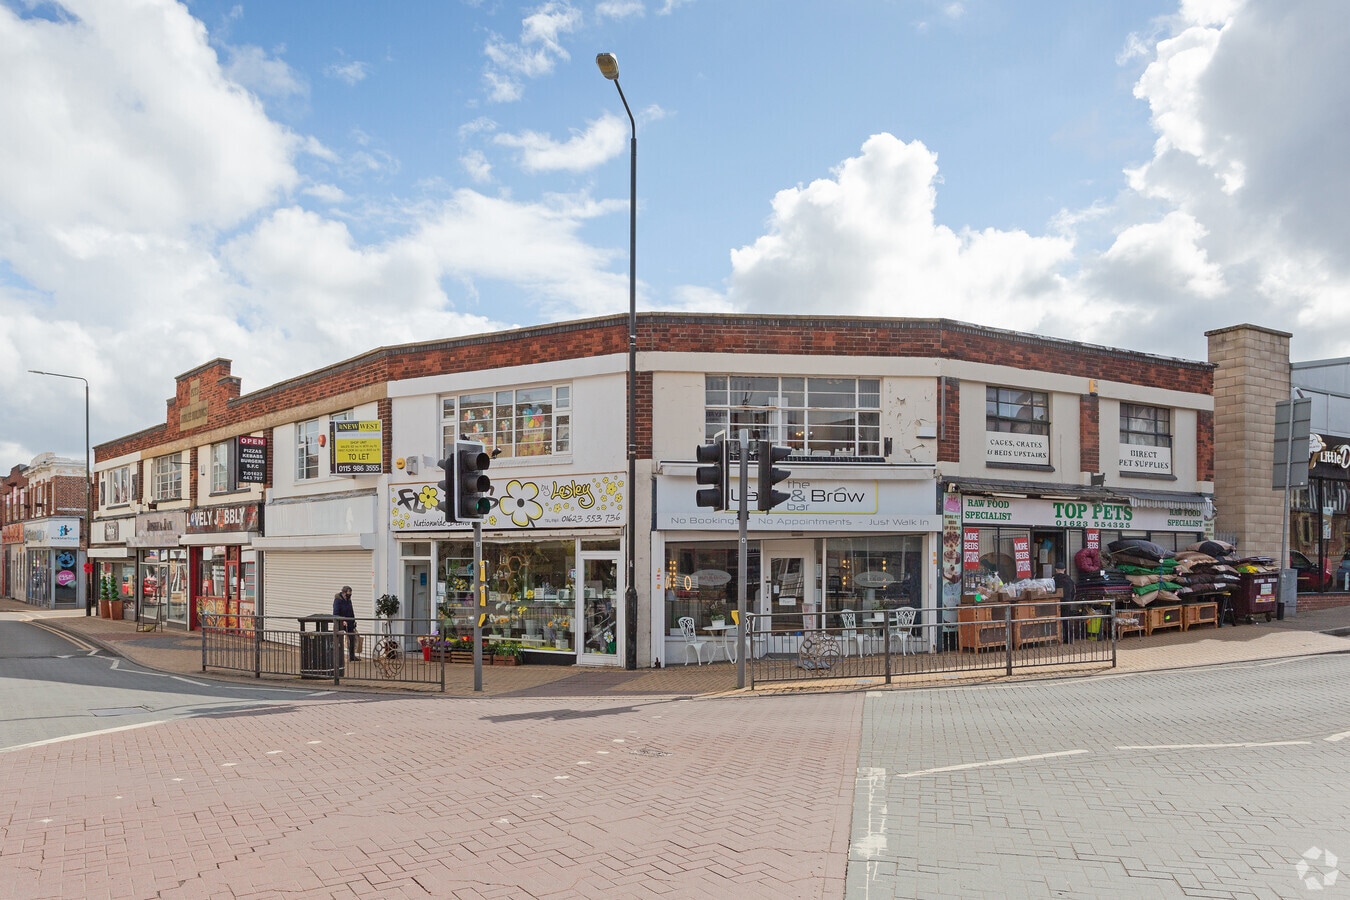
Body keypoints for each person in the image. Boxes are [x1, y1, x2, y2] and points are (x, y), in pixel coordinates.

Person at [1052, 565, 1079, 643]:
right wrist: (1070, 599)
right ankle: (1068, 639)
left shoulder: (1054, 579)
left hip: (1057, 602)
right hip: (1067, 601)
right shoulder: (1069, 579)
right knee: (1066, 620)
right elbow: (1073, 591)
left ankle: (1058, 637)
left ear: (1056, 569)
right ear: (1064, 569)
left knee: (1056, 620)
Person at [333, 585, 358, 660]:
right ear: (344, 593)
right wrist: (342, 620)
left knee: (352, 639)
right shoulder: (338, 600)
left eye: (350, 593)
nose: (350, 594)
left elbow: (351, 611)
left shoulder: (348, 600)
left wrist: (353, 621)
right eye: (349, 593)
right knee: (339, 640)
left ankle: (352, 656)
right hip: (340, 623)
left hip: (349, 622)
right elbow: (336, 612)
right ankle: (338, 656)